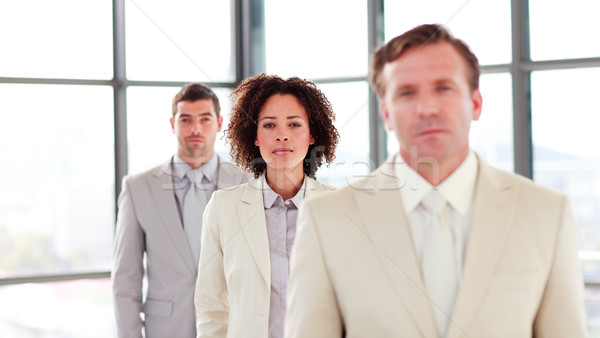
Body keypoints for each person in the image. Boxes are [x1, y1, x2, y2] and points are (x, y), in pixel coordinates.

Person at [284, 24, 587, 337]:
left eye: (443, 88)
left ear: (476, 103)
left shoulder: (545, 214)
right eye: (407, 92)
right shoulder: (327, 220)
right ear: (386, 114)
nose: (426, 108)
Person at [194, 74, 339, 338]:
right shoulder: (223, 209)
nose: (282, 136)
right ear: (255, 136)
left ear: (311, 135)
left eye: (294, 125)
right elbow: (211, 307)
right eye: (269, 125)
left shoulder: (340, 208)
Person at [112, 83, 248, 338]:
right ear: (173, 124)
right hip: (165, 330)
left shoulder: (247, 183)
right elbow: (125, 281)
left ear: (219, 123)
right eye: (186, 119)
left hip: (232, 328)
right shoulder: (138, 188)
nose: (195, 129)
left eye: (204, 119)